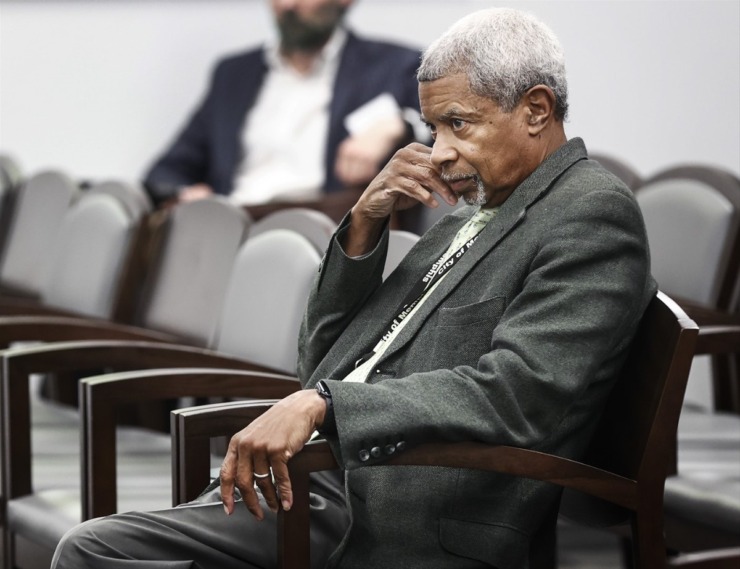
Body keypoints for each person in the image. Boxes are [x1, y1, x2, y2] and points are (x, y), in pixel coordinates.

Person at [52, 7, 656, 569]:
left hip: (396, 507)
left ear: (536, 109)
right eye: (432, 127)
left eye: (458, 124)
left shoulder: (590, 212)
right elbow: (321, 358)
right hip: (327, 477)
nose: (439, 152)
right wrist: (366, 222)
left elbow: (518, 396)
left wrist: (326, 406)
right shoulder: (466, 213)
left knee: (94, 552)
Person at [143, 0, 425, 207]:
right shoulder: (233, 74)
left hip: (329, 227)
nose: (288, 5)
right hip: (232, 226)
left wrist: (398, 125)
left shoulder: (394, 66)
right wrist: (184, 195)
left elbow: (444, 141)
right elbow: (167, 172)